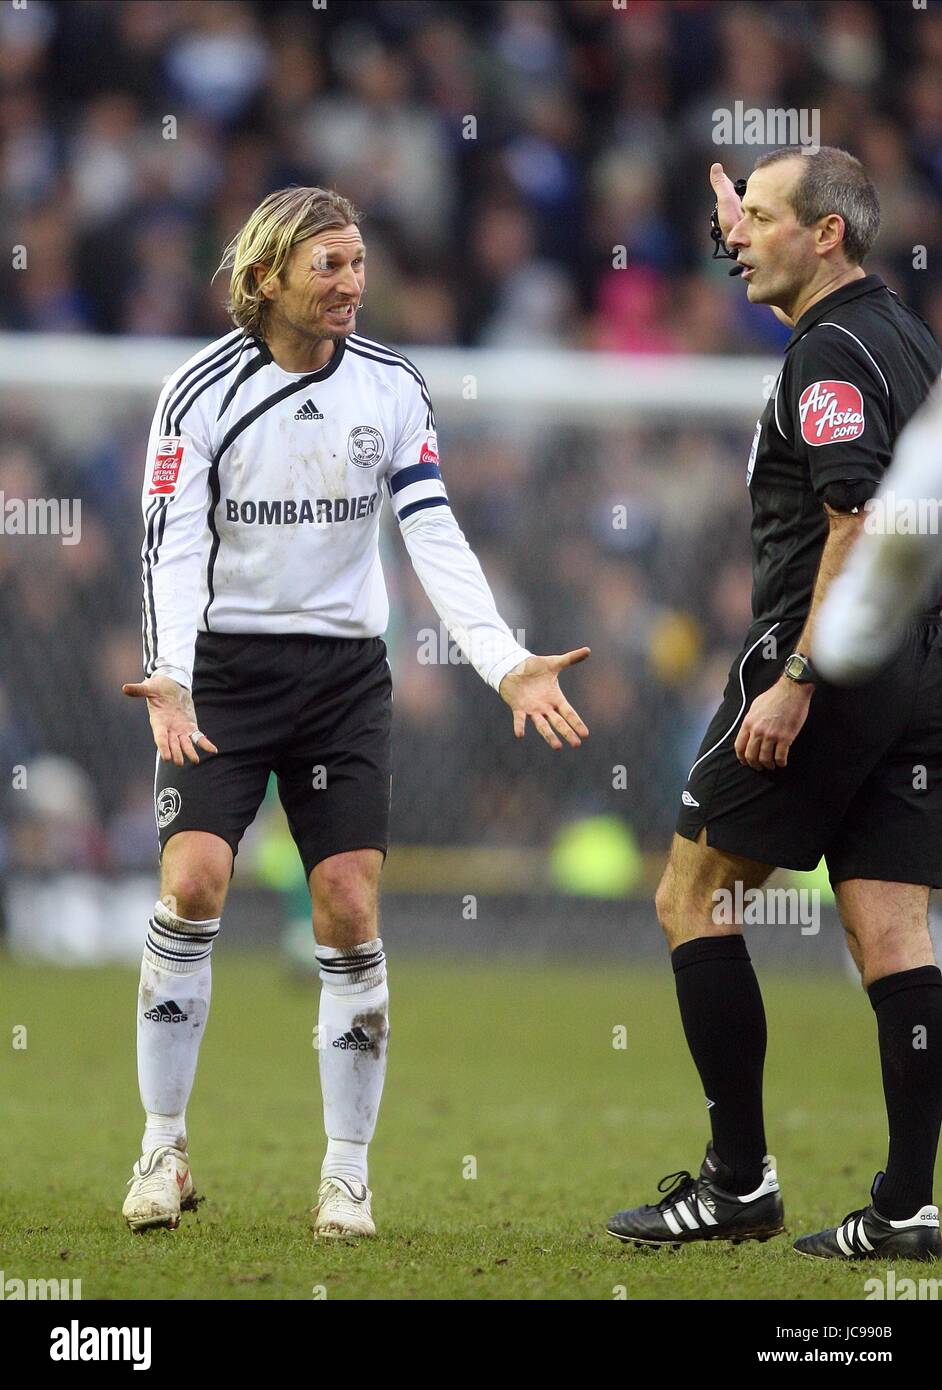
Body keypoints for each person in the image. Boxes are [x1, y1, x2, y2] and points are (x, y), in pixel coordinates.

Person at [121, 185, 589, 1238]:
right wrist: (172, 671)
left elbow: (433, 533)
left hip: (341, 679)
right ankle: (162, 1146)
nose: (351, 285)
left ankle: (345, 1175)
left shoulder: (393, 388)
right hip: (225, 678)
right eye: (328, 265)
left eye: (359, 263)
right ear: (267, 276)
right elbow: (173, 544)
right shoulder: (196, 393)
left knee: (346, 907)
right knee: (192, 885)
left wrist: (506, 662)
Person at [607, 149, 942, 1261]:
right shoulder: (899, 334)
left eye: (758, 219)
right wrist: (747, 227)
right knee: (892, 927)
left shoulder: (831, 352)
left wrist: (798, 680)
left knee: (691, 893)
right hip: (921, 663)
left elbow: (852, 521)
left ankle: (739, 1181)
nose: (736, 236)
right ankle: (904, 1207)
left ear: (828, 234)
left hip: (826, 657)